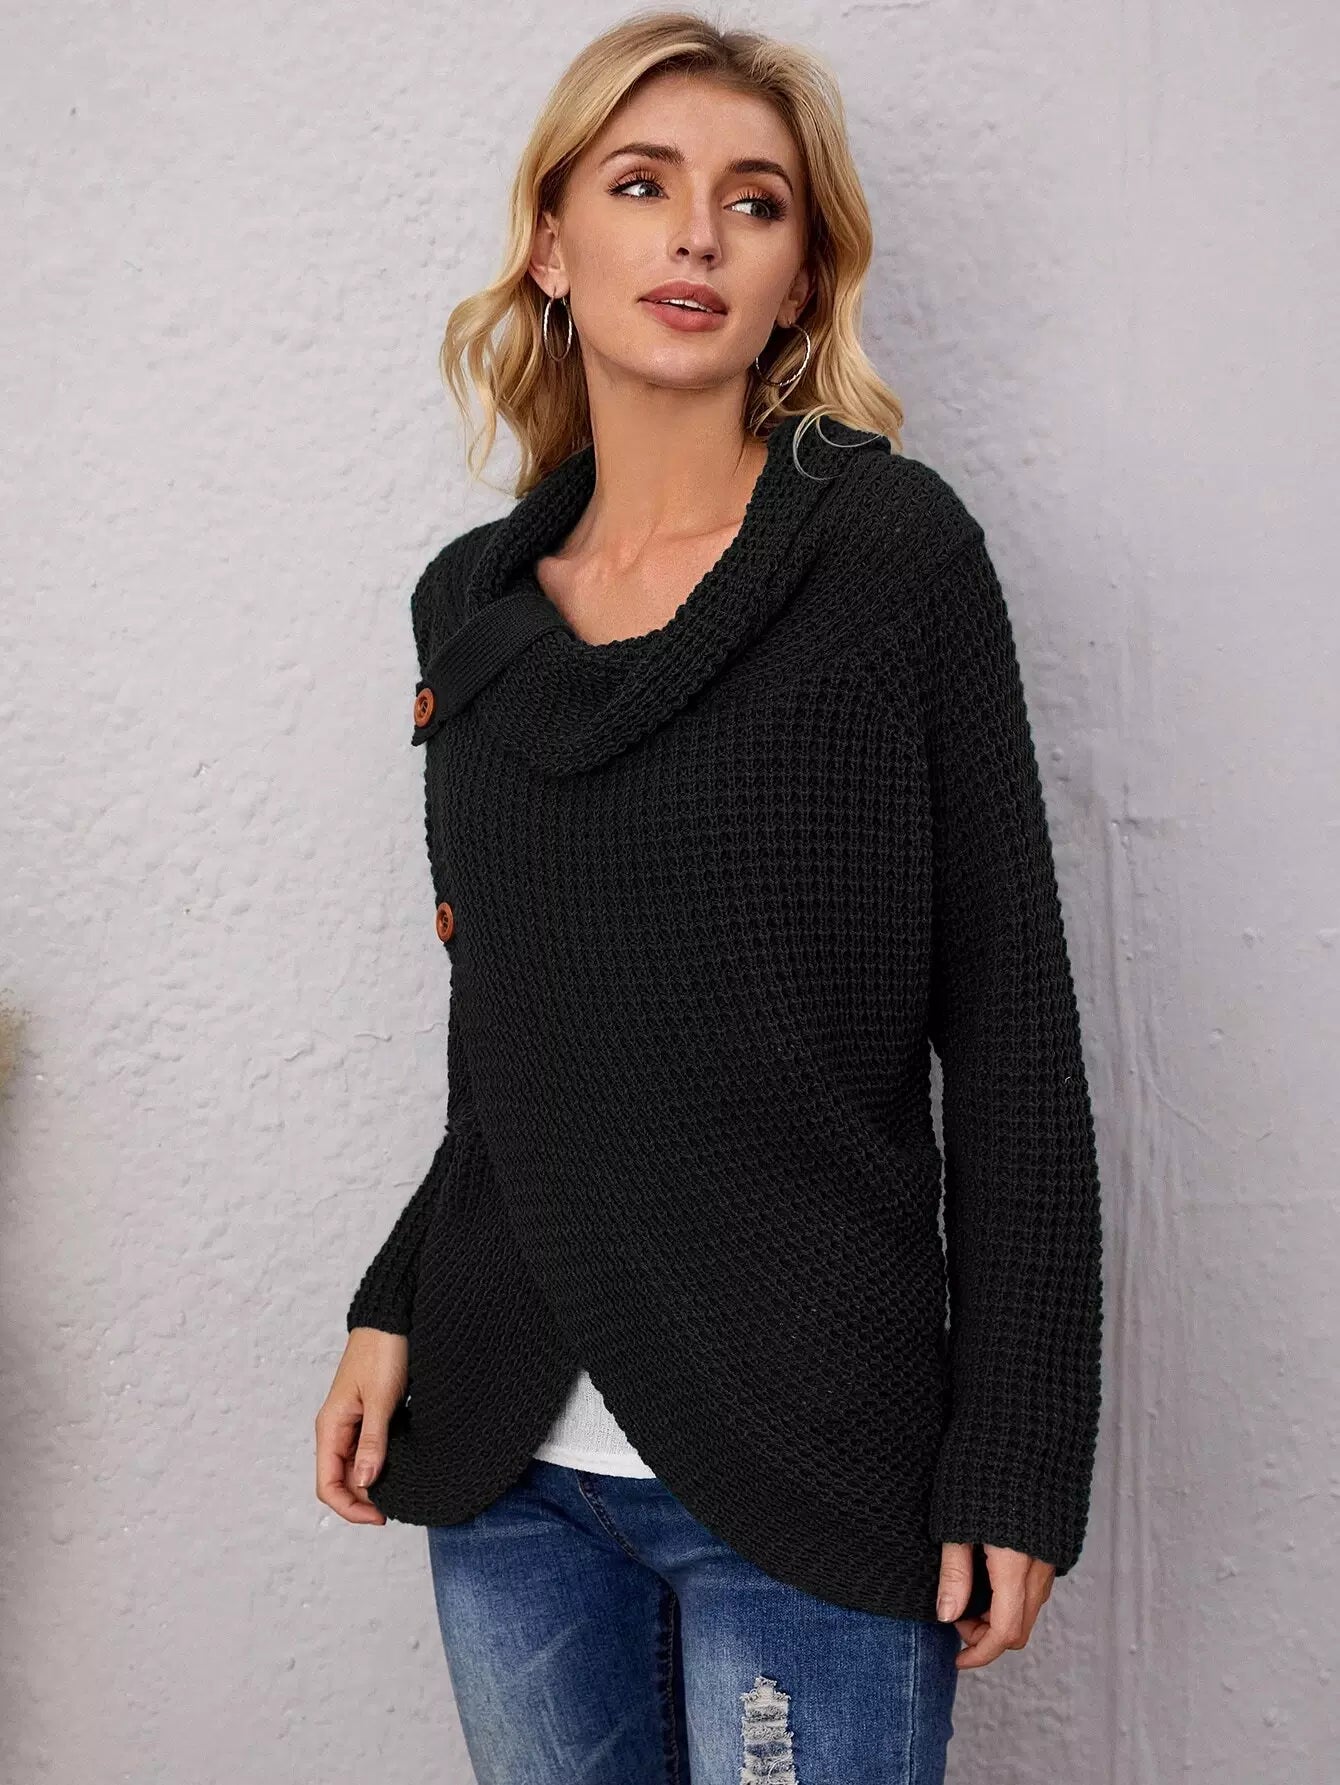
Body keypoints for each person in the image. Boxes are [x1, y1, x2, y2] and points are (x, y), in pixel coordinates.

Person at [315, 12, 1105, 1782]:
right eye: (641, 185)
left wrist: (1020, 1446)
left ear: (800, 275)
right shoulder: (471, 610)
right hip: (511, 1472)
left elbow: (1011, 1028)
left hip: (810, 1464)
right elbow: (515, 1031)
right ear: (551, 242)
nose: (695, 234)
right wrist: (396, 1291)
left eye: (754, 203)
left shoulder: (892, 559)